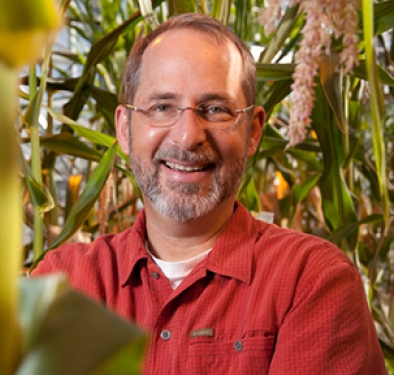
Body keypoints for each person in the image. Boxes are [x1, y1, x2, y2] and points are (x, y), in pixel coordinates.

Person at [32, 13, 386, 374]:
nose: (187, 136)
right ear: (125, 129)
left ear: (253, 131)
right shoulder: (64, 283)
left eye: (215, 109)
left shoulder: (311, 281)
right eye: (162, 107)